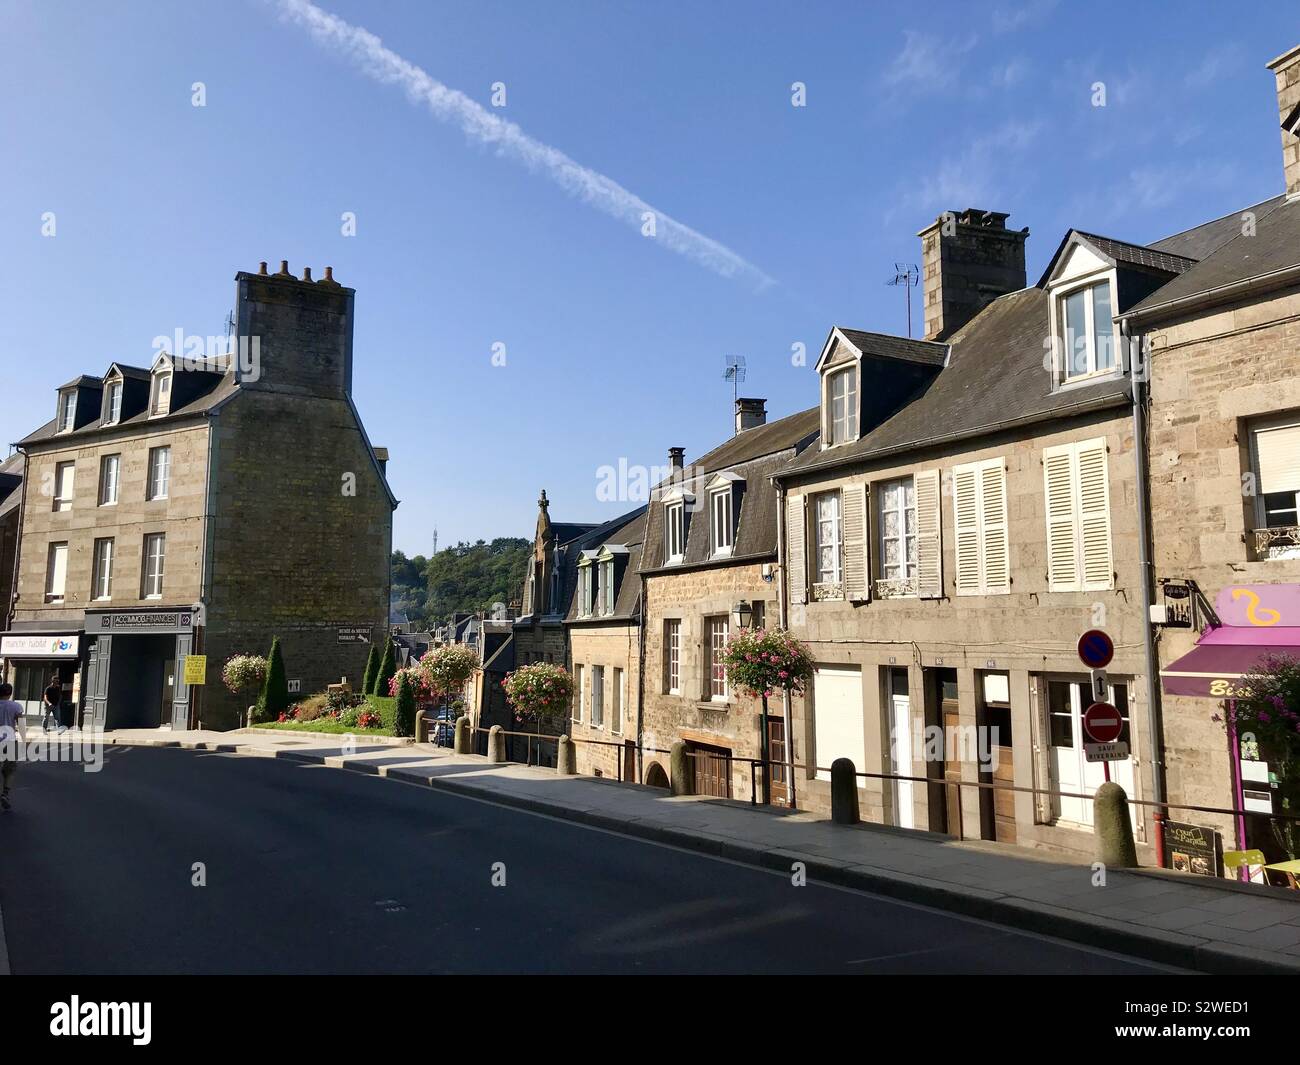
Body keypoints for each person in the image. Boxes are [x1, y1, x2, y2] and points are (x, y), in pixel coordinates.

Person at [0, 682, 22, 811]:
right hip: (9, 740)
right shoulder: (16, 706)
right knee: (10, 769)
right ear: (10, 693)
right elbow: (22, 725)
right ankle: (5, 794)